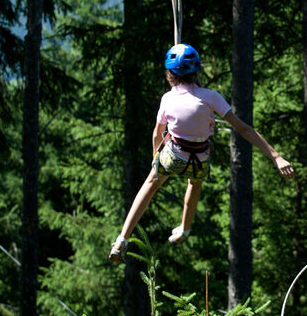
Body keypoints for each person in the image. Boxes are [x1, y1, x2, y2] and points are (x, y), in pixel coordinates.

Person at [108, 43, 294, 263]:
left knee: (150, 185)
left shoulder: (167, 99)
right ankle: (184, 229)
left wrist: (155, 160)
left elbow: (157, 133)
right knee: (194, 184)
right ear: (196, 71)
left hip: (174, 156)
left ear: (170, 74)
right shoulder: (211, 97)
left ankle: (122, 239)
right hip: (200, 159)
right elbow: (243, 128)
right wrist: (276, 156)